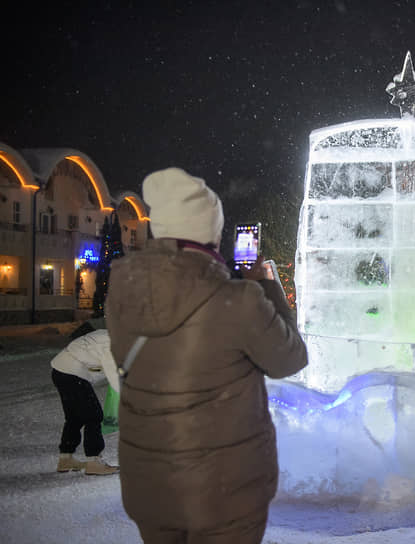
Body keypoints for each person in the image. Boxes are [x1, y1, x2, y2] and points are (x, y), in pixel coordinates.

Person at [105, 168, 308, 544]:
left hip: (149, 485)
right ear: (210, 232)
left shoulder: (122, 292)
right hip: (224, 491)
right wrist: (266, 287)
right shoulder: (239, 300)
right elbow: (290, 358)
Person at [51, 328, 120, 475]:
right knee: (93, 416)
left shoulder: (111, 335)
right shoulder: (111, 343)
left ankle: (66, 458)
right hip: (71, 373)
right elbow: (115, 376)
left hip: (61, 371)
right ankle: (94, 462)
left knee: (74, 417)